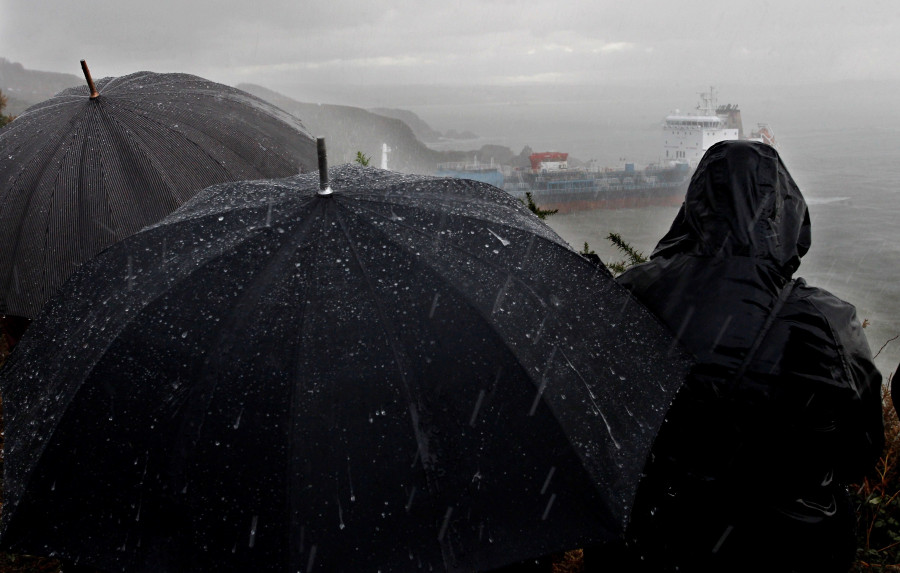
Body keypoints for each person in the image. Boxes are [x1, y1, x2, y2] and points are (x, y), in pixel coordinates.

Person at [616, 140, 884, 573]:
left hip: (657, 542)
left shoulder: (632, 293)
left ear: (696, 204)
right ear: (786, 210)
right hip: (788, 549)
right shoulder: (827, 318)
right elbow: (860, 453)